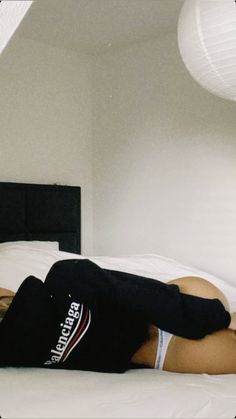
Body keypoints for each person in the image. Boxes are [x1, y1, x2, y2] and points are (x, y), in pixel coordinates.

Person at [0, 258, 235, 374]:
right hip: (181, 319)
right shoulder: (67, 276)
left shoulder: (12, 351)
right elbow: (136, 294)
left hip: (165, 344)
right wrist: (220, 318)